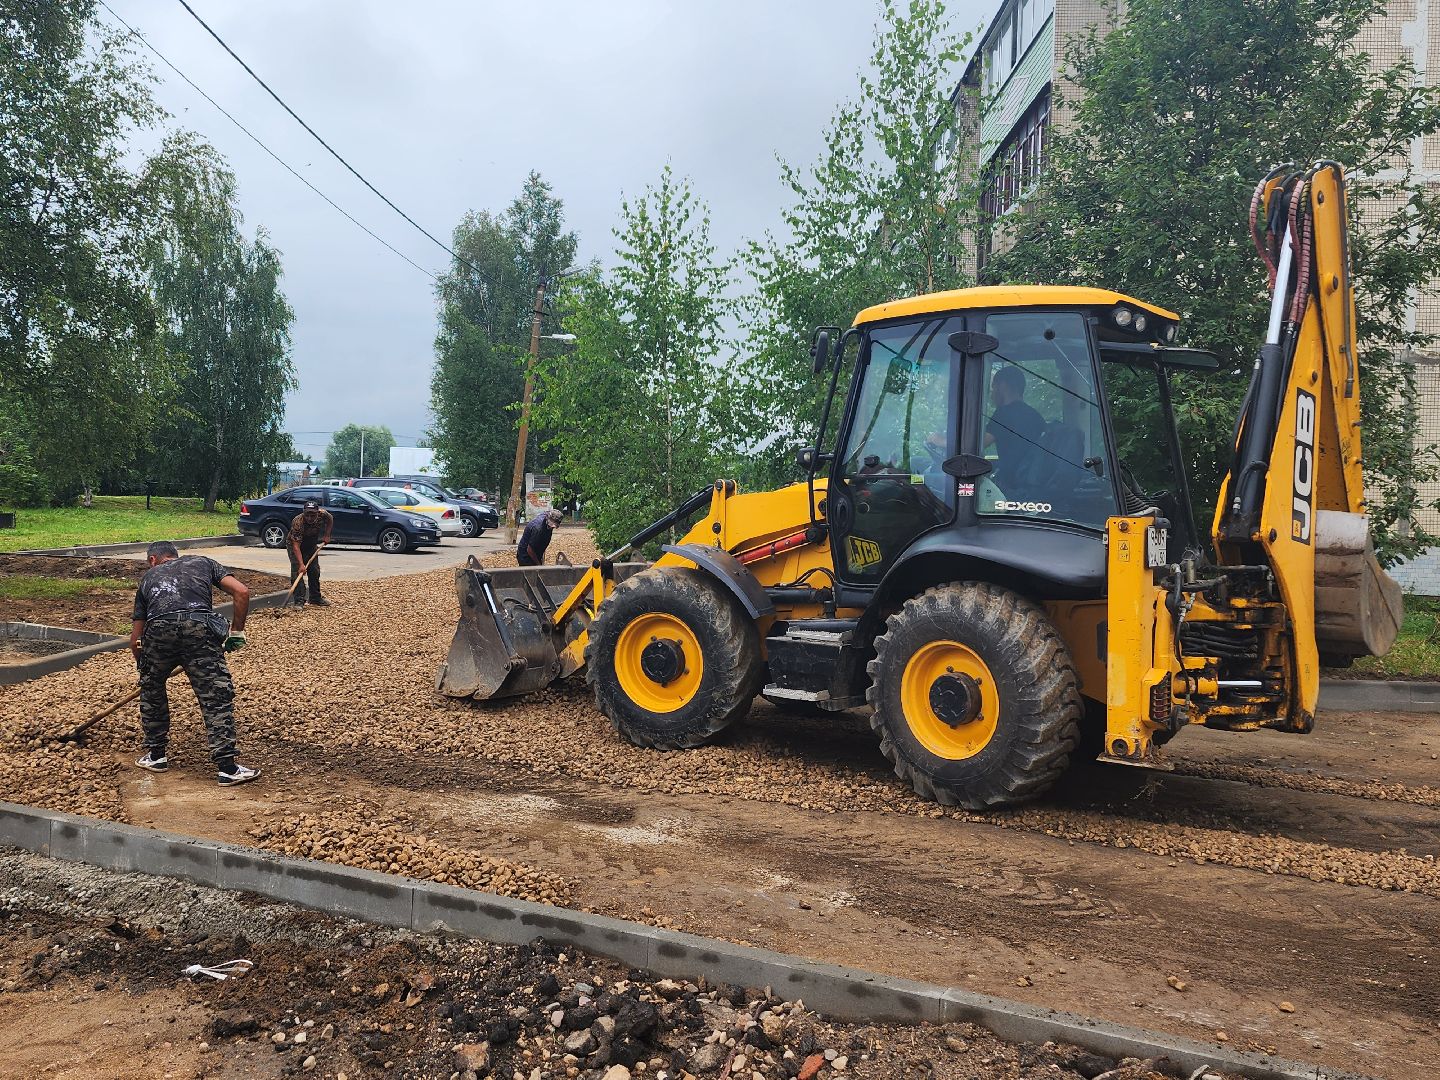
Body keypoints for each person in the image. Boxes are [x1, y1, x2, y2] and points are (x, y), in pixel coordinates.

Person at [129, 541, 259, 785]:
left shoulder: (147, 578)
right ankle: (227, 769)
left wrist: (147, 672)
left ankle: (156, 756)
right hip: (199, 628)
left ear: (153, 560)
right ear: (174, 555)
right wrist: (237, 632)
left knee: (153, 693)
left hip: (158, 631)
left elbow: (135, 639)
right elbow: (241, 592)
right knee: (215, 695)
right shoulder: (203, 562)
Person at [984, 364, 1047, 490]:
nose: (992, 393)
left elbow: (978, 443)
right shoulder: (1036, 416)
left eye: (994, 387)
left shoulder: (1003, 414)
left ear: (1003, 386)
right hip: (1033, 485)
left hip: (1011, 486)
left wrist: (944, 442)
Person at [287, 498, 333, 607]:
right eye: (307, 515)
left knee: (314, 570)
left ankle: (315, 598)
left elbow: (330, 519)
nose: (309, 518)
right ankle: (299, 601)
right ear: (303, 512)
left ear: (317, 513)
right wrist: (301, 564)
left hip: (311, 544)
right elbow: (296, 546)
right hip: (295, 546)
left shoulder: (323, 514)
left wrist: (327, 535)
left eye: (312, 515)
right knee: (297, 572)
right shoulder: (298, 522)